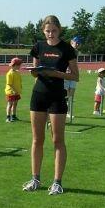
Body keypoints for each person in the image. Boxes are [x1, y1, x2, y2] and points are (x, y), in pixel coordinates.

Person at [22, 15, 79, 195]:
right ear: (43, 31)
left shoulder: (67, 49)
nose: (51, 34)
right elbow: (34, 73)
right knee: (37, 139)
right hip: (38, 95)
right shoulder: (38, 47)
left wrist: (55, 74)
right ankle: (35, 179)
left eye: (54, 31)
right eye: (48, 31)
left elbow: (75, 76)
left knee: (57, 140)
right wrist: (37, 71)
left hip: (57, 96)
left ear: (59, 30)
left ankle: (57, 182)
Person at [65, 36, 82, 119]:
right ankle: (63, 111)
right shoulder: (67, 50)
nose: (78, 44)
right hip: (66, 75)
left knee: (71, 95)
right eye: (76, 42)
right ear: (72, 42)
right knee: (65, 95)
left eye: (79, 43)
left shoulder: (76, 52)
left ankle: (69, 112)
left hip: (73, 75)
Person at [5, 57, 23, 122]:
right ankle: (8, 117)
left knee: (15, 104)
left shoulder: (17, 72)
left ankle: (13, 116)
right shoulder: (10, 73)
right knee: (10, 104)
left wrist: (19, 90)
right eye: (19, 65)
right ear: (15, 65)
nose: (20, 66)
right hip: (11, 92)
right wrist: (14, 90)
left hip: (17, 92)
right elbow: (9, 84)